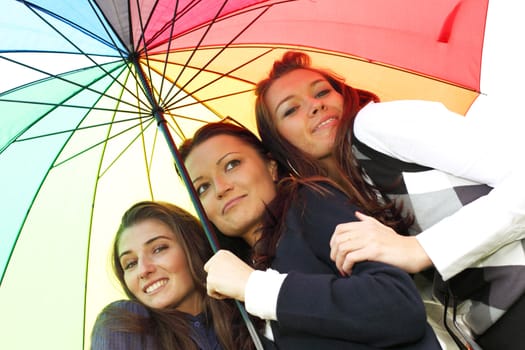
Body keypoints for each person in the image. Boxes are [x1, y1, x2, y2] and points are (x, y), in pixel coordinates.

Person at [254, 50, 525, 349]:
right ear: (277, 142)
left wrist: (420, 248)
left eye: (322, 92)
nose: (315, 106)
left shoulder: (375, 125)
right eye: (291, 110)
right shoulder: (336, 202)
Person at [180, 121, 442, 349]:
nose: (221, 188)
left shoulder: (308, 204)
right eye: (202, 187)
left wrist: (255, 288)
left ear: (271, 166)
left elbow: (397, 307)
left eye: (232, 164)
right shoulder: (231, 284)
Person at [90, 201, 264, 350]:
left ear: (192, 247)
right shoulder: (127, 322)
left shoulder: (246, 311)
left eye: (158, 249)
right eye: (130, 264)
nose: (143, 270)